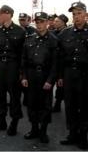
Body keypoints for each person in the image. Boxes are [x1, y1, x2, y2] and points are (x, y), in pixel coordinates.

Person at [57, 2, 88, 150]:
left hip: (86, 75)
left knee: (85, 106)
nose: (76, 16)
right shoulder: (65, 33)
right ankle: (72, 134)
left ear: (86, 15)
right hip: (69, 74)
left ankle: (83, 137)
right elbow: (61, 57)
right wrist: (61, 76)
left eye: (79, 13)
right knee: (70, 105)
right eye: (74, 14)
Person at [21, 12, 58, 143]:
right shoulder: (29, 38)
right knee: (31, 104)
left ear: (47, 22)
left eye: (42, 21)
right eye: (37, 22)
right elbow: (23, 60)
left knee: (45, 105)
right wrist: (24, 77)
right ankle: (34, 129)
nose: (39, 24)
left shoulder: (53, 40)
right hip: (31, 75)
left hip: (45, 75)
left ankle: (43, 131)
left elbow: (55, 64)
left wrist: (50, 80)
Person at [0, 5, 26, 136]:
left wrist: (22, 72)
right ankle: (1, 120)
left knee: (14, 96)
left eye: (0, 14)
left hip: (13, 67)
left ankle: (14, 123)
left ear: (8, 14)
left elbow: (23, 54)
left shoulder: (20, 31)